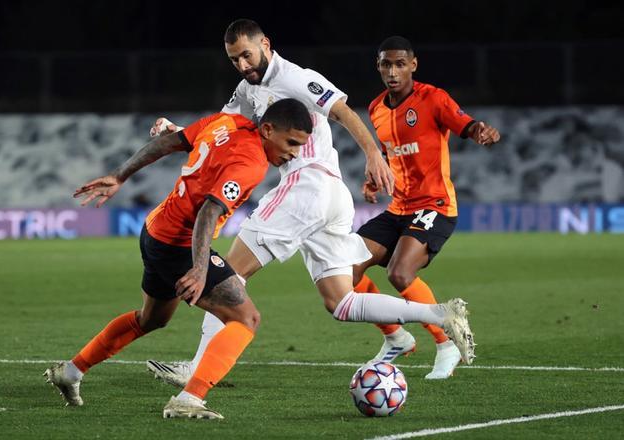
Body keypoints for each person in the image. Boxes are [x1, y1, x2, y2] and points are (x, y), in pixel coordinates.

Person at [146, 19, 475, 389]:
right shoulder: (246, 89)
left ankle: (197, 369)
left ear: (265, 44)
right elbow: (220, 129)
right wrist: (178, 132)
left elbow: (343, 111)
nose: (242, 64)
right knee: (340, 301)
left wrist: (373, 155)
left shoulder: (296, 78)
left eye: (247, 55)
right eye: (234, 59)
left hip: (308, 185)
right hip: (328, 196)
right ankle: (439, 315)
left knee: (228, 276)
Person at [43, 98, 313, 420]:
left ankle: (71, 371)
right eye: (292, 143)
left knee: (152, 319)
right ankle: (189, 400)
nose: (294, 152)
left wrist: (120, 175)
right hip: (179, 245)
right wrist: (200, 269)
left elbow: (169, 142)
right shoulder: (251, 162)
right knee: (245, 318)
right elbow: (208, 212)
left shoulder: (224, 123)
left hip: (155, 230)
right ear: (268, 129)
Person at [353, 36, 501, 379]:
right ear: (378, 67)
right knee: (345, 268)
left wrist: (482, 132)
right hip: (399, 207)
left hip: (435, 205)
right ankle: (396, 338)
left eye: (400, 64)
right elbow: (391, 154)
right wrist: (375, 180)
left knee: (399, 273)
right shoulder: (375, 108)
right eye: (386, 64)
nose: (393, 71)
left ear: (413, 65)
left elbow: (467, 124)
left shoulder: (433, 98)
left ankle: (446, 344)